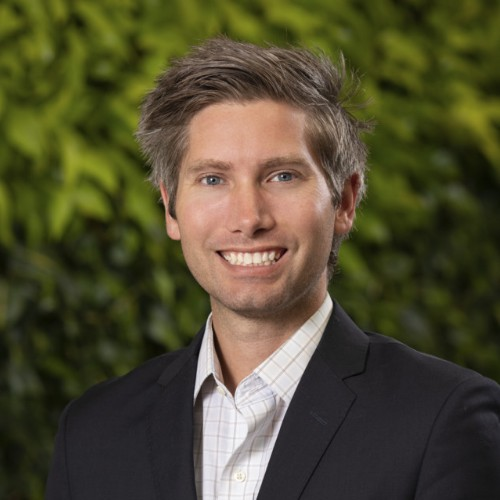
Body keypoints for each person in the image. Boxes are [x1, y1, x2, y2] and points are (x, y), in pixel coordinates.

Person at [46, 37, 500, 500]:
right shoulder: (92, 433)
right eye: (213, 179)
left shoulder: (444, 420)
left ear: (344, 201)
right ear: (170, 207)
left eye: (282, 176)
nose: (249, 218)